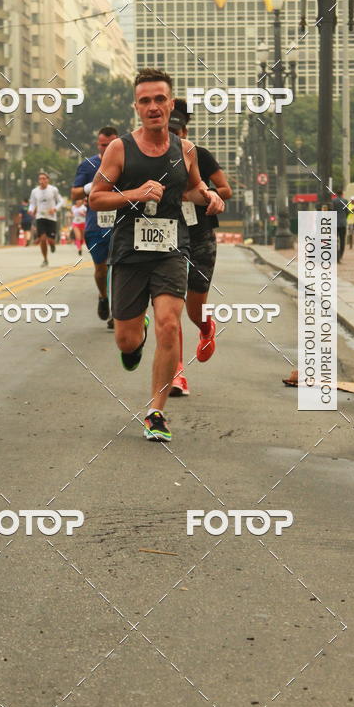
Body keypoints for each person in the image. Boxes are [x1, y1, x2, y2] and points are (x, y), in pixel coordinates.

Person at [89, 68, 224, 442]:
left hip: (171, 248)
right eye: (145, 101)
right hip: (129, 251)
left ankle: (156, 412)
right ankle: (135, 331)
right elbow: (96, 197)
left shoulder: (186, 150)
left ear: (170, 103)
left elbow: (194, 189)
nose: (153, 107)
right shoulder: (120, 149)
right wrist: (133, 193)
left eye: (159, 99)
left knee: (169, 323)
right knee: (127, 342)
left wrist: (210, 196)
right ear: (136, 107)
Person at [167, 99, 232, 397]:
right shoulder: (150, 157)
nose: (172, 135)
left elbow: (227, 189)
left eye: (177, 131)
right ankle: (178, 372)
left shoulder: (199, 155)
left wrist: (204, 195)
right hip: (169, 238)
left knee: (194, 311)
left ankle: (206, 328)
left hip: (201, 236)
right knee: (171, 309)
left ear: (185, 130)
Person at [72, 126, 119, 330]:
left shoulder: (125, 162)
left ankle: (117, 313)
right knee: (101, 270)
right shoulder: (88, 165)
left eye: (111, 144)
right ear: (97, 144)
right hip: (95, 225)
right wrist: (88, 188)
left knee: (119, 269)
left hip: (120, 223)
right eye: (103, 144)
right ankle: (103, 296)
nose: (107, 148)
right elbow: (74, 194)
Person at [28, 172, 63, 267]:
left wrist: (55, 209)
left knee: (50, 240)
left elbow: (61, 201)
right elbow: (32, 203)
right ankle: (45, 259)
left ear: (48, 180)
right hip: (40, 217)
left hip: (51, 218)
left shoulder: (53, 190)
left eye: (44, 178)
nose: (42, 181)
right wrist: (30, 210)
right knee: (42, 239)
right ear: (38, 180)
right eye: (40, 179)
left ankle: (52, 244)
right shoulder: (34, 191)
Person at [331, 188, 350, 263]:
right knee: (342, 240)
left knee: (335, 239)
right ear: (342, 194)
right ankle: (341, 255)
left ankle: (336, 254)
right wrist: (344, 217)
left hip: (334, 223)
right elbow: (347, 211)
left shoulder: (333, 201)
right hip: (343, 223)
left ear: (336, 194)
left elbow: (331, 211)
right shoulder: (345, 201)